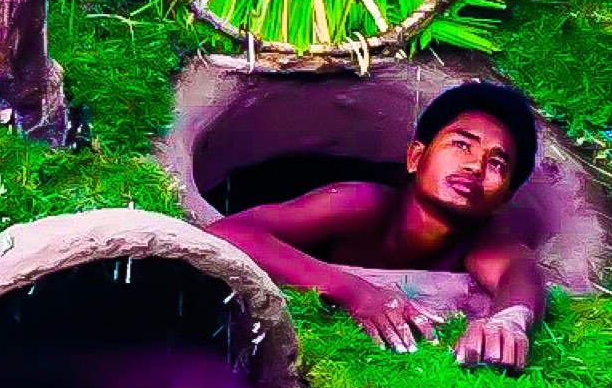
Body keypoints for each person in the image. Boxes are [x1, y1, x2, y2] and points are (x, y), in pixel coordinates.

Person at [205, 82, 546, 371]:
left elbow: (518, 273)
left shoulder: (484, 242)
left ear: (505, 198)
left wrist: (508, 322)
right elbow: (228, 233)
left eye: (497, 162)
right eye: (461, 144)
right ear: (415, 157)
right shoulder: (362, 203)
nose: (475, 165)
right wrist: (354, 292)